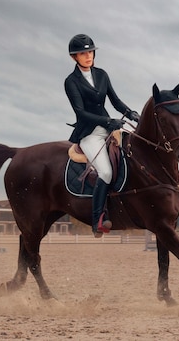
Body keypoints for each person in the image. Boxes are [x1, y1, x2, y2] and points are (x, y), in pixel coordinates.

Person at [64, 34, 140, 237]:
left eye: (90, 52)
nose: (88, 56)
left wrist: (130, 112)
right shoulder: (71, 82)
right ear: (74, 57)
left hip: (109, 128)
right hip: (89, 133)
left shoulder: (102, 75)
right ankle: (97, 218)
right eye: (82, 53)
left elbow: (115, 101)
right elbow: (80, 112)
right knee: (105, 172)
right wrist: (108, 121)